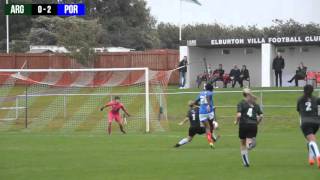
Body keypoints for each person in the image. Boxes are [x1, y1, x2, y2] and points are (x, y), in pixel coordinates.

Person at [235, 88, 263, 167]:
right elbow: (261, 116)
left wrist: (236, 121)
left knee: (242, 143)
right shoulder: (255, 104)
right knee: (249, 141)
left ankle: (246, 162)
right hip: (253, 125)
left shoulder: (241, 103)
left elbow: (239, 115)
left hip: (243, 125)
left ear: (243, 95)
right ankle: (250, 144)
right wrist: (257, 123)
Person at [296, 85, 320, 168]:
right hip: (316, 122)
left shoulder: (300, 99)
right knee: (310, 140)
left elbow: (299, 111)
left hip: (306, 122)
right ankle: (311, 159)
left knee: (312, 141)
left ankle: (318, 156)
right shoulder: (316, 99)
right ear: (312, 90)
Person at [194, 83, 215, 148]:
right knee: (211, 126)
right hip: (209, 112)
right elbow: (208, 96)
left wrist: (200, 105)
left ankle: (210, 142)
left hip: (202, 113)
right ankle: (212, 136)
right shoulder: (210, 93)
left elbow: (195, 101)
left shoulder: (201, 93)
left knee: (207, 127)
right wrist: (208, 105)